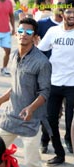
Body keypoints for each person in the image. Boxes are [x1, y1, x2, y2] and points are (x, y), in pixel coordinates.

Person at [0, 17, 51, 167]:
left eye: (28, 32)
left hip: (32, 119)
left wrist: (31, 108)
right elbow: (15, 86)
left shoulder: (42, 62)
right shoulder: (14, 55)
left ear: (35, 36)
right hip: (10, 116)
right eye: (21, 31)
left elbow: (45, 92)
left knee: (33, 163)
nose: (24, 35)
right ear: (16, 34)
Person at [37, 0, 74, 166]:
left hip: (73, 85)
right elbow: (40, 50)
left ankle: (71, 143)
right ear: (62, 13)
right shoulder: (53, 31)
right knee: (50, 120)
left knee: (71, 122)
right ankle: (59, 153)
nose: (72, 15)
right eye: (69, 12)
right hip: (54, 83)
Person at [37, 0, 64, 154]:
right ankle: (45, 140)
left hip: (68, 77)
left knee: (65, 114)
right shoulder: (43, 24)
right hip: (48, 77)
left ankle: (68, 139)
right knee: (49, 113)